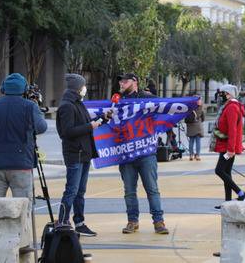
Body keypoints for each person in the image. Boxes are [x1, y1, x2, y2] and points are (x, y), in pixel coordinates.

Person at [56, 74, 111, 236]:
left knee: (80, 191)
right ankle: (62, 221)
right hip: (75, 154)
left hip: (84, 153)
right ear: (77, 88)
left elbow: (85, 124)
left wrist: (103, 119)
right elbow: (67, 132)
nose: (84, 89)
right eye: (83, 86)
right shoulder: (67, 106)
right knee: (72, 190)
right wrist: (90, 126)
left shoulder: (77, 104)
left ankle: (79, 222)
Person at [117, 73, 169, 235]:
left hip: (146, 152)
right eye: (120, 81)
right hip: (126, 153)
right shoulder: (117, 101)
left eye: (125, 81)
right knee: (129, 191)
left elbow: (168, 107)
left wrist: (192, 104)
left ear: (135, 82)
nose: (121, 83)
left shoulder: (148, 98)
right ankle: (132, 221)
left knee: (152, 189)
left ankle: (158, 221)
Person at [0, 73, 47, 199]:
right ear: (25, 90)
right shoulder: (30, 106)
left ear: (3, 89)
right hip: (21, 164)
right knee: (23, 207)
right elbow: (41, 127)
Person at [213, 84, 245, 208]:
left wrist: (231, 149)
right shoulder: (228, 106)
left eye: (222, 93)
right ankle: (228, 202)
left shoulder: (232, 107)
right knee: (226, 172)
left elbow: (232, 130)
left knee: (219, 170)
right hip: (226, 145)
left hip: (228, 147)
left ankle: (241, 194)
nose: (220, 96)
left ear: (228, 94)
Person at [185, 96, 205, 161]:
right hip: (198, 125)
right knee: (198, 141)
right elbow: (203, 118)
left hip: (190, 125)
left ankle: (191, 155)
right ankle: (198, 155)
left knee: (191, 141)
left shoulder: (189, 107)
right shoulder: (200, 108)